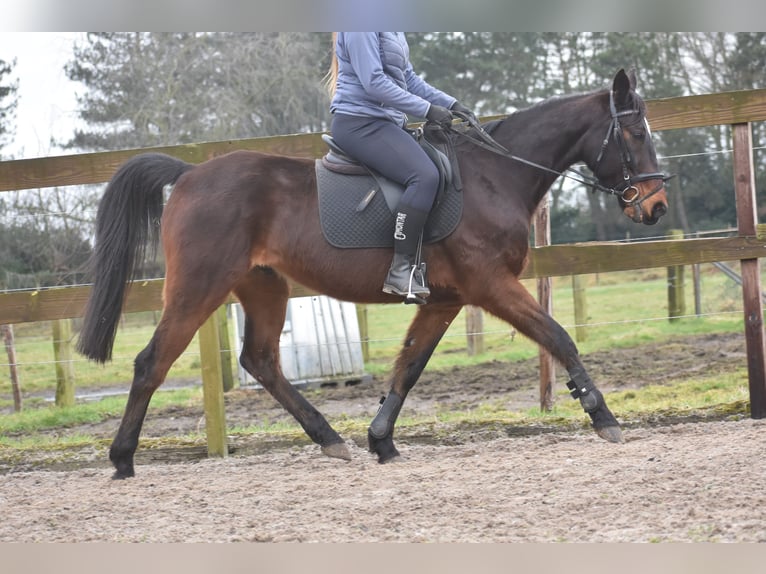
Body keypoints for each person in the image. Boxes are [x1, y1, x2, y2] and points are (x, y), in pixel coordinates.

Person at [326, 32, 475, 303]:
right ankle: (400, 271)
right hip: (360, 122)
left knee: (440, 166)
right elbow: (374, 83)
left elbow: (408, 79)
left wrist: (451, 103)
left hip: (387, 121)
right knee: (424, 176)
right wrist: (428, 110)